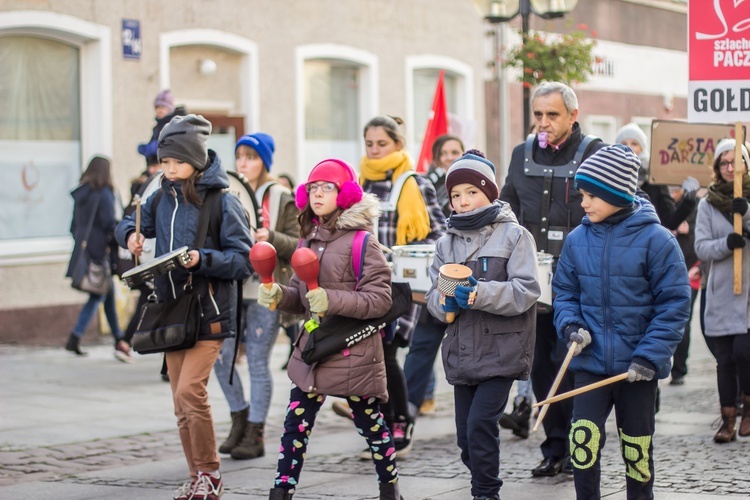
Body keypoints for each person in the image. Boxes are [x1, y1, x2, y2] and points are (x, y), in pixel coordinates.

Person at [116, 114, 253, 500]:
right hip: (172, 311)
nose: (168, 169)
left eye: (175, 161)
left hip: (209, 312)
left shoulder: (223, 202)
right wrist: (132, 236)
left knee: (191, 392)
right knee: (179, 401)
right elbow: (127, 221)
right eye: (164, 161)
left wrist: (201, 258)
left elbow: (242, 261)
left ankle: (210, 474)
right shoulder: (161, 195)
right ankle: (196, 477)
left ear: (195, 157)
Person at [259, 159, 404, 500]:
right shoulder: (307, 239)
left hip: (352, 349)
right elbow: (302, 298)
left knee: (371, 425)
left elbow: (380, 301)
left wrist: (332, 299)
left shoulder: (362, 242)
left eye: (327, 187)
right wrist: (281, 295)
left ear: (346, 194)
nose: (318, 194)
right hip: (315, 348)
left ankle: (389, 488)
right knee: (296, 424)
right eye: (312, 188)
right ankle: (281, 491)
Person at [553, 144, 691, 499]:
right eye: (582, 194)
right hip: (589, 365)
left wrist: (650, 356)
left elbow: (674, 304)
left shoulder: (658, 241)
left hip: (637, 369)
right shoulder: (576, 240)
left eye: (592, 195)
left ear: (618, 193)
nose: (584, 203)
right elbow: (565, 293)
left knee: (637, 451)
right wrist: (570, 326)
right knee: (581, 446)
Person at [499, 82, 606, 476]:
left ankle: (581, 448)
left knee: (572, 364)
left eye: (552, 115)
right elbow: (507, 212)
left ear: (573, 115)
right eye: (538, 114)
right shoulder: (520, 154)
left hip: (578, 282)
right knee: (542, 366)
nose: (543, 122)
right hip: (532, 281)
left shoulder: (595, 152)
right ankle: (554, 447)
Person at [425, 151, 539, 500]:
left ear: (489, 192)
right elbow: (434, 295)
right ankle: (482, 480)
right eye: (456, 195)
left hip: (502, 351)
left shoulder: (515, 236)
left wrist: (478, 294)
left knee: (480, 425)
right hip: (462, 353)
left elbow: (527, 290)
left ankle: (486, 493)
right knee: (465, 437)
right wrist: (443, 302)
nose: (463, 201)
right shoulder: (446, 243)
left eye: (471, 192)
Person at [346, 115, 446, 458]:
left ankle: (400, 424)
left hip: (403, 286)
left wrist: (404, 257)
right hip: (365, 284)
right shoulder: (356, 184)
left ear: (398, 145)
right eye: (369, 144)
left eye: (382, 144)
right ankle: (382, 427)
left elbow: (439, 235)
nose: (374, 151)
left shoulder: (414, 183)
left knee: (387, 354)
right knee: (370, 357)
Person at [213, 133, 300, 460]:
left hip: (267, 289)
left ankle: (256, 430)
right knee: (222, 358)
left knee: (258, 363)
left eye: (250, 157)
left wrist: (271, 236)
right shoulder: (229, 191)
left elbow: (298, 242)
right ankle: (239, 417)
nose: (243, 163)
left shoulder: (280, 195)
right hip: (234, 287)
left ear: (264, 160)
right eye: (239, 157)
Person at [615, 122, 700, 386]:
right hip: (620, 260)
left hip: (650, 260)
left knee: (654, 318)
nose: (630, 149)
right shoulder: (610, 179)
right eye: (625, 143)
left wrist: (688, 198)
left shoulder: (655, 181)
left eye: (635, 144)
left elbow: (671, 218)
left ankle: (657, 380)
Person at [403, 133, 465, 417]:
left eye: (456, 151)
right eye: (446, 152)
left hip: (469, 276)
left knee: (467, 350)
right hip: (436, 272)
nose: (451, 157)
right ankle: (408, 406)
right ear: (438, 157)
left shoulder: (479, 185)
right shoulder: (427, 186)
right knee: (422, 343)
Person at [694, 138, 750, 443]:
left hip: (749, 294)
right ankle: (727, 420)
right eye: (725, 163)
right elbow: (701, 246)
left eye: (736, 162)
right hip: (721, 291)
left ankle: (748, 413)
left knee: (745, 352)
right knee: (725, 359)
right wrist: (726, 244)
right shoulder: (707, 203)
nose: (730, 168)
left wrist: (748, 214)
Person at [65, 156, 132, 362]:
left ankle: (118, 338)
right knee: (98, 295)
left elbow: (73, 226)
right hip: (99, 252)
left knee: (106, 295)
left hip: (84, 250)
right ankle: (75, 337)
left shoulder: (81, 193)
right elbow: (108, 223)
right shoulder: (104, 194)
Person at [136, 89, 187, 170]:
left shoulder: (176, 125)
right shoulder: (158, 127)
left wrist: (153, 148)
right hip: (157, 167)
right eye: (157, 107)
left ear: (169, 109)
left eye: (163, 107)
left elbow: (171, 146)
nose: (159, 110)